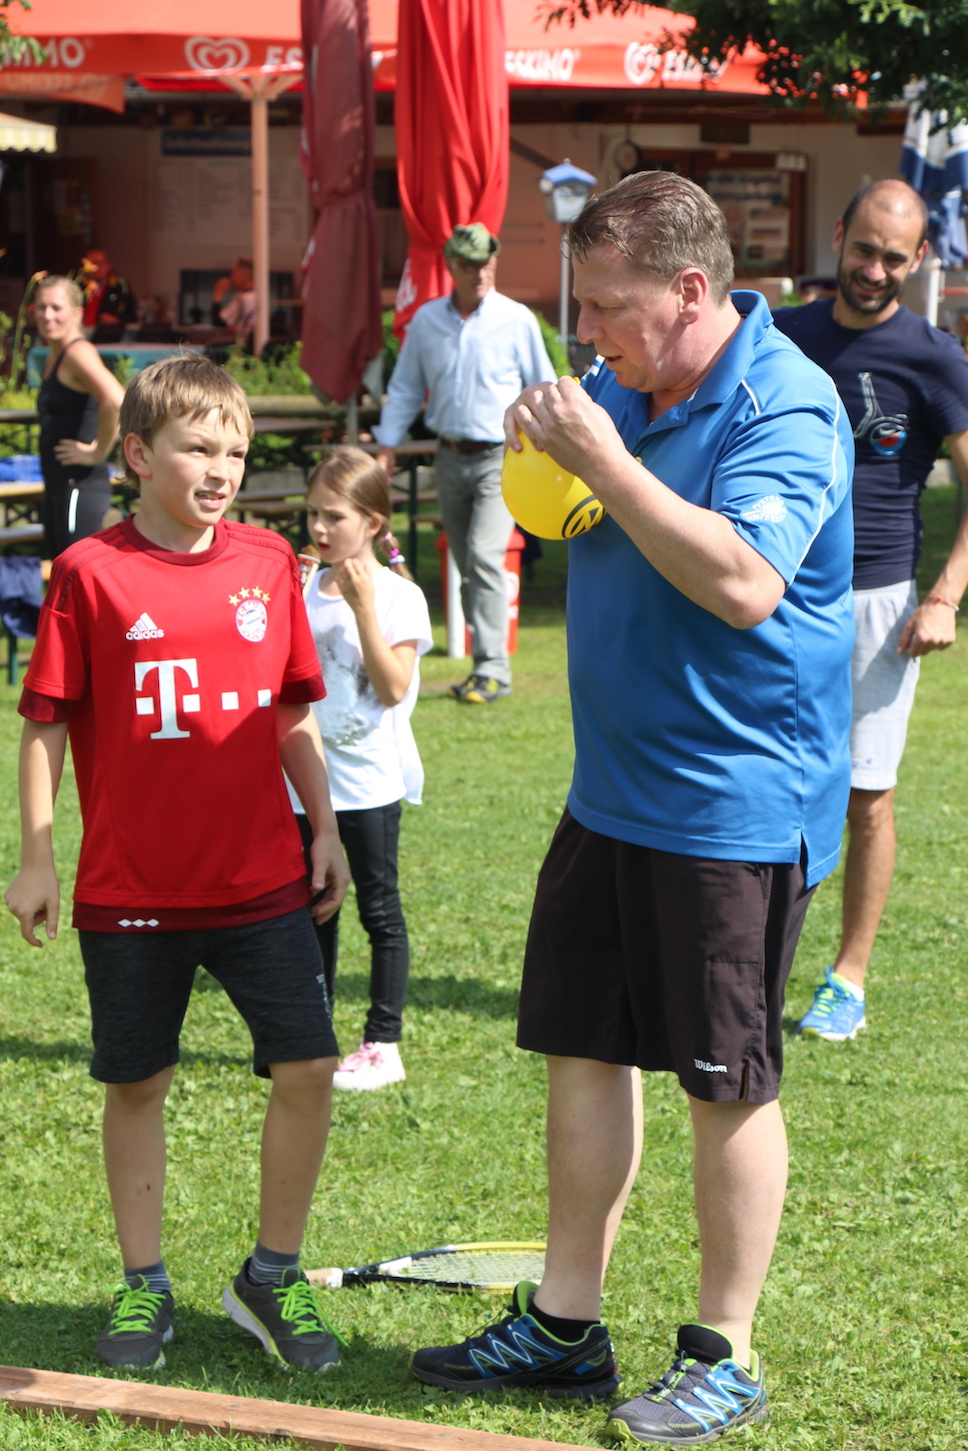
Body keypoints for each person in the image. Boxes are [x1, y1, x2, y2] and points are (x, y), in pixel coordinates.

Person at [409, 172, 854, 1445]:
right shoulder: (620, 386)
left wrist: (601, 456)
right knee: (582, 1047)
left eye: (607, 305)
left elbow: (744, 582)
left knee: (726, 1081)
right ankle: (564, 1324)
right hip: (609, 790)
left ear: (689, 290)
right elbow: (564, 514)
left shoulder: (783, 403)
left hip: (730, 806)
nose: (585, 330)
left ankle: (722, 1351)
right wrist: (544, 450)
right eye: (581, 303)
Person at [4, 355, 350, 1375]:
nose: (221, 469)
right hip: (130, 890)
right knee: (138, 1082)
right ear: (138, 455)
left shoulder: (269, 563)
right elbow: (45, 723)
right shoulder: (88, 573)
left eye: (235, 451)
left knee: (309, 1065)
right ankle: (143, 1281)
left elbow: (290, 712)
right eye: (199, 448)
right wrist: (37, 856)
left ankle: (271, 1274)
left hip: (262, 879)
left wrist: (325, 827)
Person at [774, 179, 968, 1042]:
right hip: (775, 592)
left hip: (878, 606)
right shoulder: (781, 335)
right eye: (864, 249)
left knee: (866, 796)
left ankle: (846, 977)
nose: (875, 270)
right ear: (839, 235)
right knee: (767, 784)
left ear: (919, 258)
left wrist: (945, 595)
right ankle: (754, 958)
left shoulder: (934, 358)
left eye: (895, 257)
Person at [290, 447, 432, 1091]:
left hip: (368, 785)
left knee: (379, 912)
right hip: (301, 787)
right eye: (312, 514)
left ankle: (383, 1043)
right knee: (311, 909)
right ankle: (312, 1039)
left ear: (373, 523)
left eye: (334, 516)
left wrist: (364, 606)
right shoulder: (300, 590)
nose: (319, 529)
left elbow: (393, 687)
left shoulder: (401, 597)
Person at [374, 223, 554, 703]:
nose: (480, 272)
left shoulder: (517, 319)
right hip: (448, 454)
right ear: (451, 265)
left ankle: (493, 668)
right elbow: (406, 388)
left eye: (487, 263)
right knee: (466, 562)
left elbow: (541, 385)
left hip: (504, 455)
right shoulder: (427, 321)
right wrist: (387, 445)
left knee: (482, 554)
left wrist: (546, 446)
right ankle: (482, 666)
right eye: (470, 264)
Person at [35, 274, 126, 558]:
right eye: (41, 307)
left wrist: (97, 452)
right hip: (59, 484)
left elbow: (116, 399)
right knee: (59, 571)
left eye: (56, 308)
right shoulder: (56, 354)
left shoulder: (78, 352)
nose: (47, 315)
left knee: (77, 571)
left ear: (76, 313)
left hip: (80, 485)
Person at [81, 248, 135, 340]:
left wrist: (116, 321)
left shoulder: (119, 286)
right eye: (92, 263)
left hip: (108, 337)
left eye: (99, 263)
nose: (95, 267)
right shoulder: (79, 286)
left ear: (108, 265)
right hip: (82, 336)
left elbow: (133, 316)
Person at [213, 257, 256, 348]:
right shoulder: (258, 295)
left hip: (242, 348)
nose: (232, 277)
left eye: (235, 272)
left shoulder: (243, 297)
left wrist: (218, 295)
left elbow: (218, 321)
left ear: (245, 275)